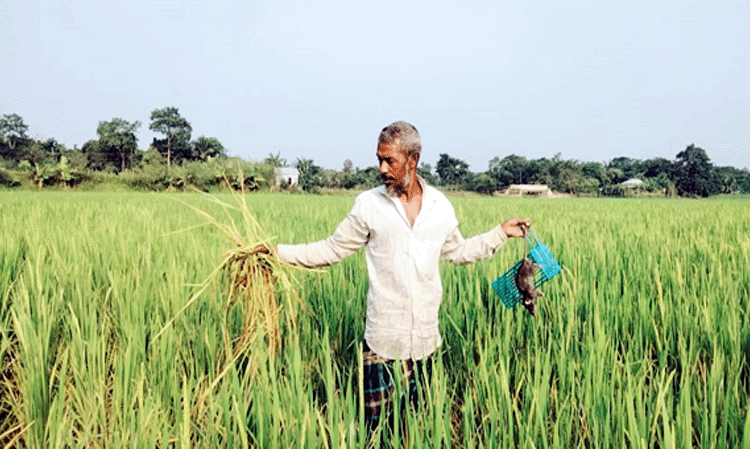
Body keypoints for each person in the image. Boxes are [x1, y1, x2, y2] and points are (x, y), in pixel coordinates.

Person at [257, 121, 530, 431]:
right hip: (383, 343)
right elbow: (330, 250)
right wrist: (275, 252)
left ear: (412, 160)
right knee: (378, 432)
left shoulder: (440, 207)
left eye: (390, 160)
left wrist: (500, 233)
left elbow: (458, 251)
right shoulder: (368, 205)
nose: (382, 168)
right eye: (379, 160)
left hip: (426, 343)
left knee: (418, 431)